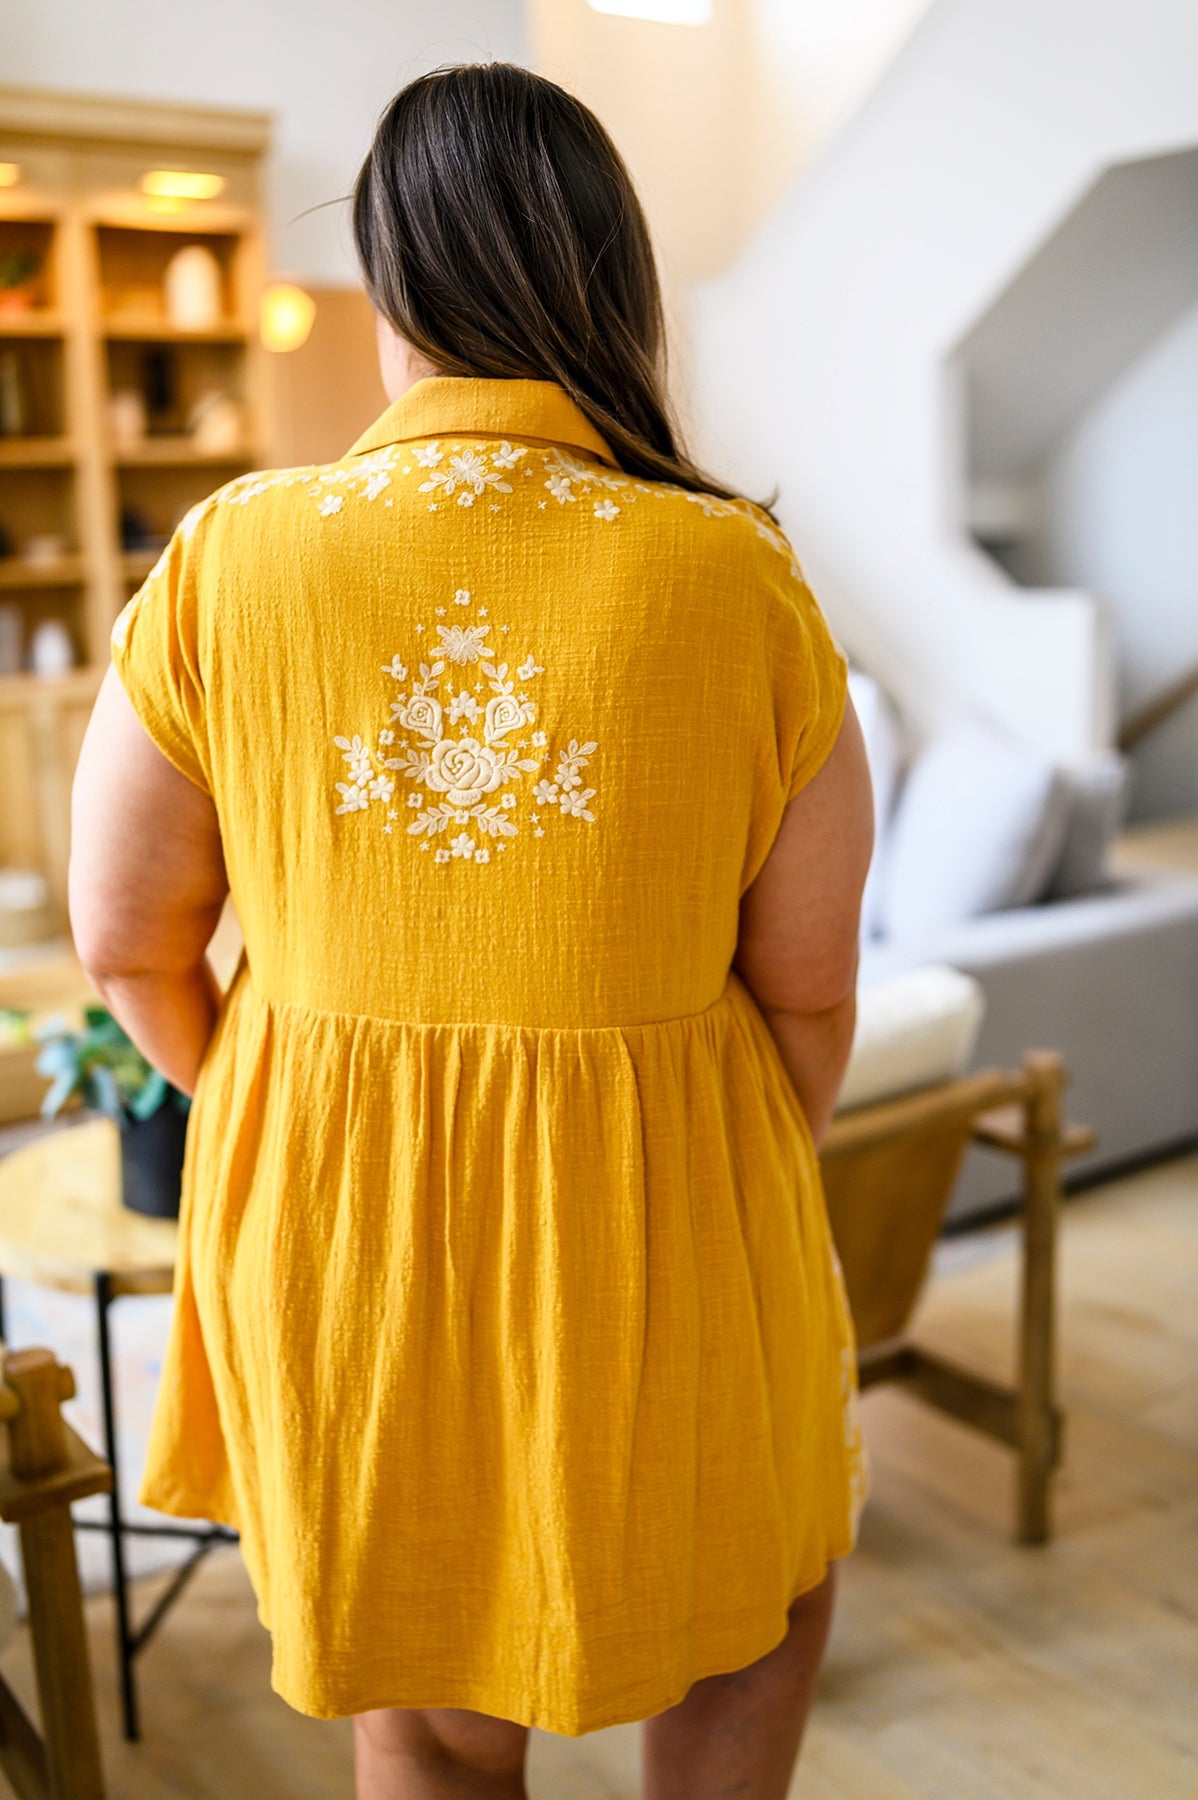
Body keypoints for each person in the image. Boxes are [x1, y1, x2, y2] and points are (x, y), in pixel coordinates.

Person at [68, 60, 874, 1800]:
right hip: (670, 1193)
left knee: (426, 1710)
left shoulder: (226, 557)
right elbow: (808, 986)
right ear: (615, 289)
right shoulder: (735, 573)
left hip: (338, 1217)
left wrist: (287, 1105)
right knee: (745, 1609)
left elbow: (125, 940)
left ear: (391, 294)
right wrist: (738, 1154)